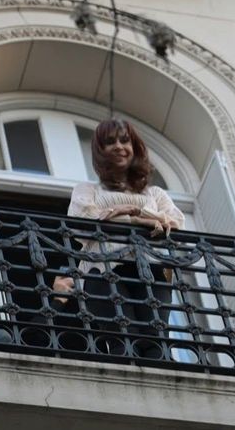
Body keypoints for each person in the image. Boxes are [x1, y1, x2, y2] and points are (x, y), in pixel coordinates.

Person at [68, 119, 184, 358]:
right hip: (102, 270)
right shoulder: (87, 190)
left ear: (135, 147)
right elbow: (82, 221)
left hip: (151, 269)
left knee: (156, 343)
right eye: (110, 142)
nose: (119, 146)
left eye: (125, 140)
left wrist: (123, 215)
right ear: (100, 151)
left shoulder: (155, 193)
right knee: (123, 340)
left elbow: (175, 224)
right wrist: (144, 220)